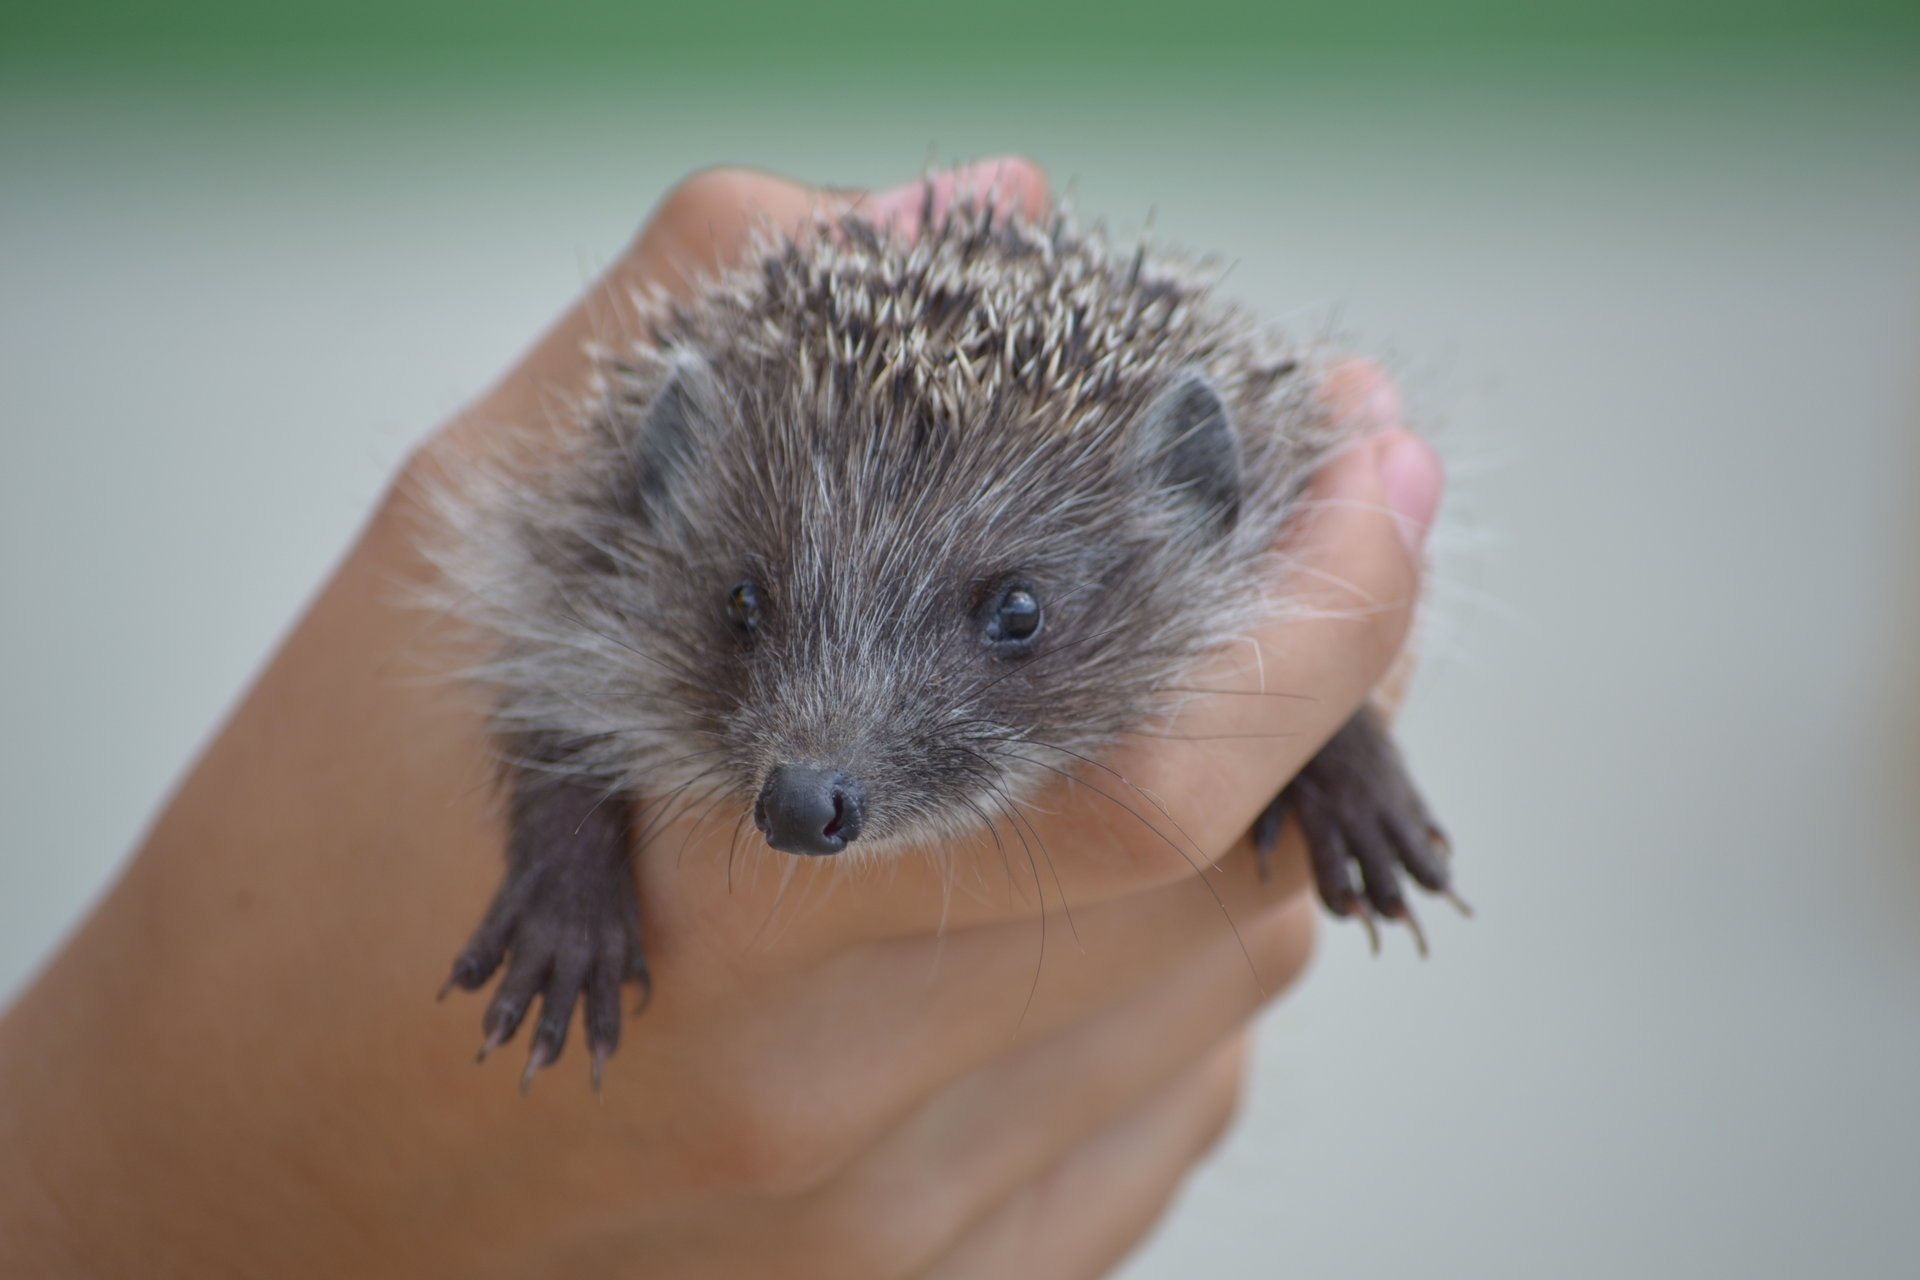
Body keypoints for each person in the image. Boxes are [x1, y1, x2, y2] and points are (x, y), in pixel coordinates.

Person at [0, 158, 1441, 1278]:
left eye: (1010, 623)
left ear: (1197, 501)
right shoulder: (624, 575)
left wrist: (1339, 748)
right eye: (750, 615)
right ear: (673, 483)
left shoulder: (1215, 553)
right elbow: (557, 696)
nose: (814, 759)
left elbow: (1292, 664)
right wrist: (566, 878)